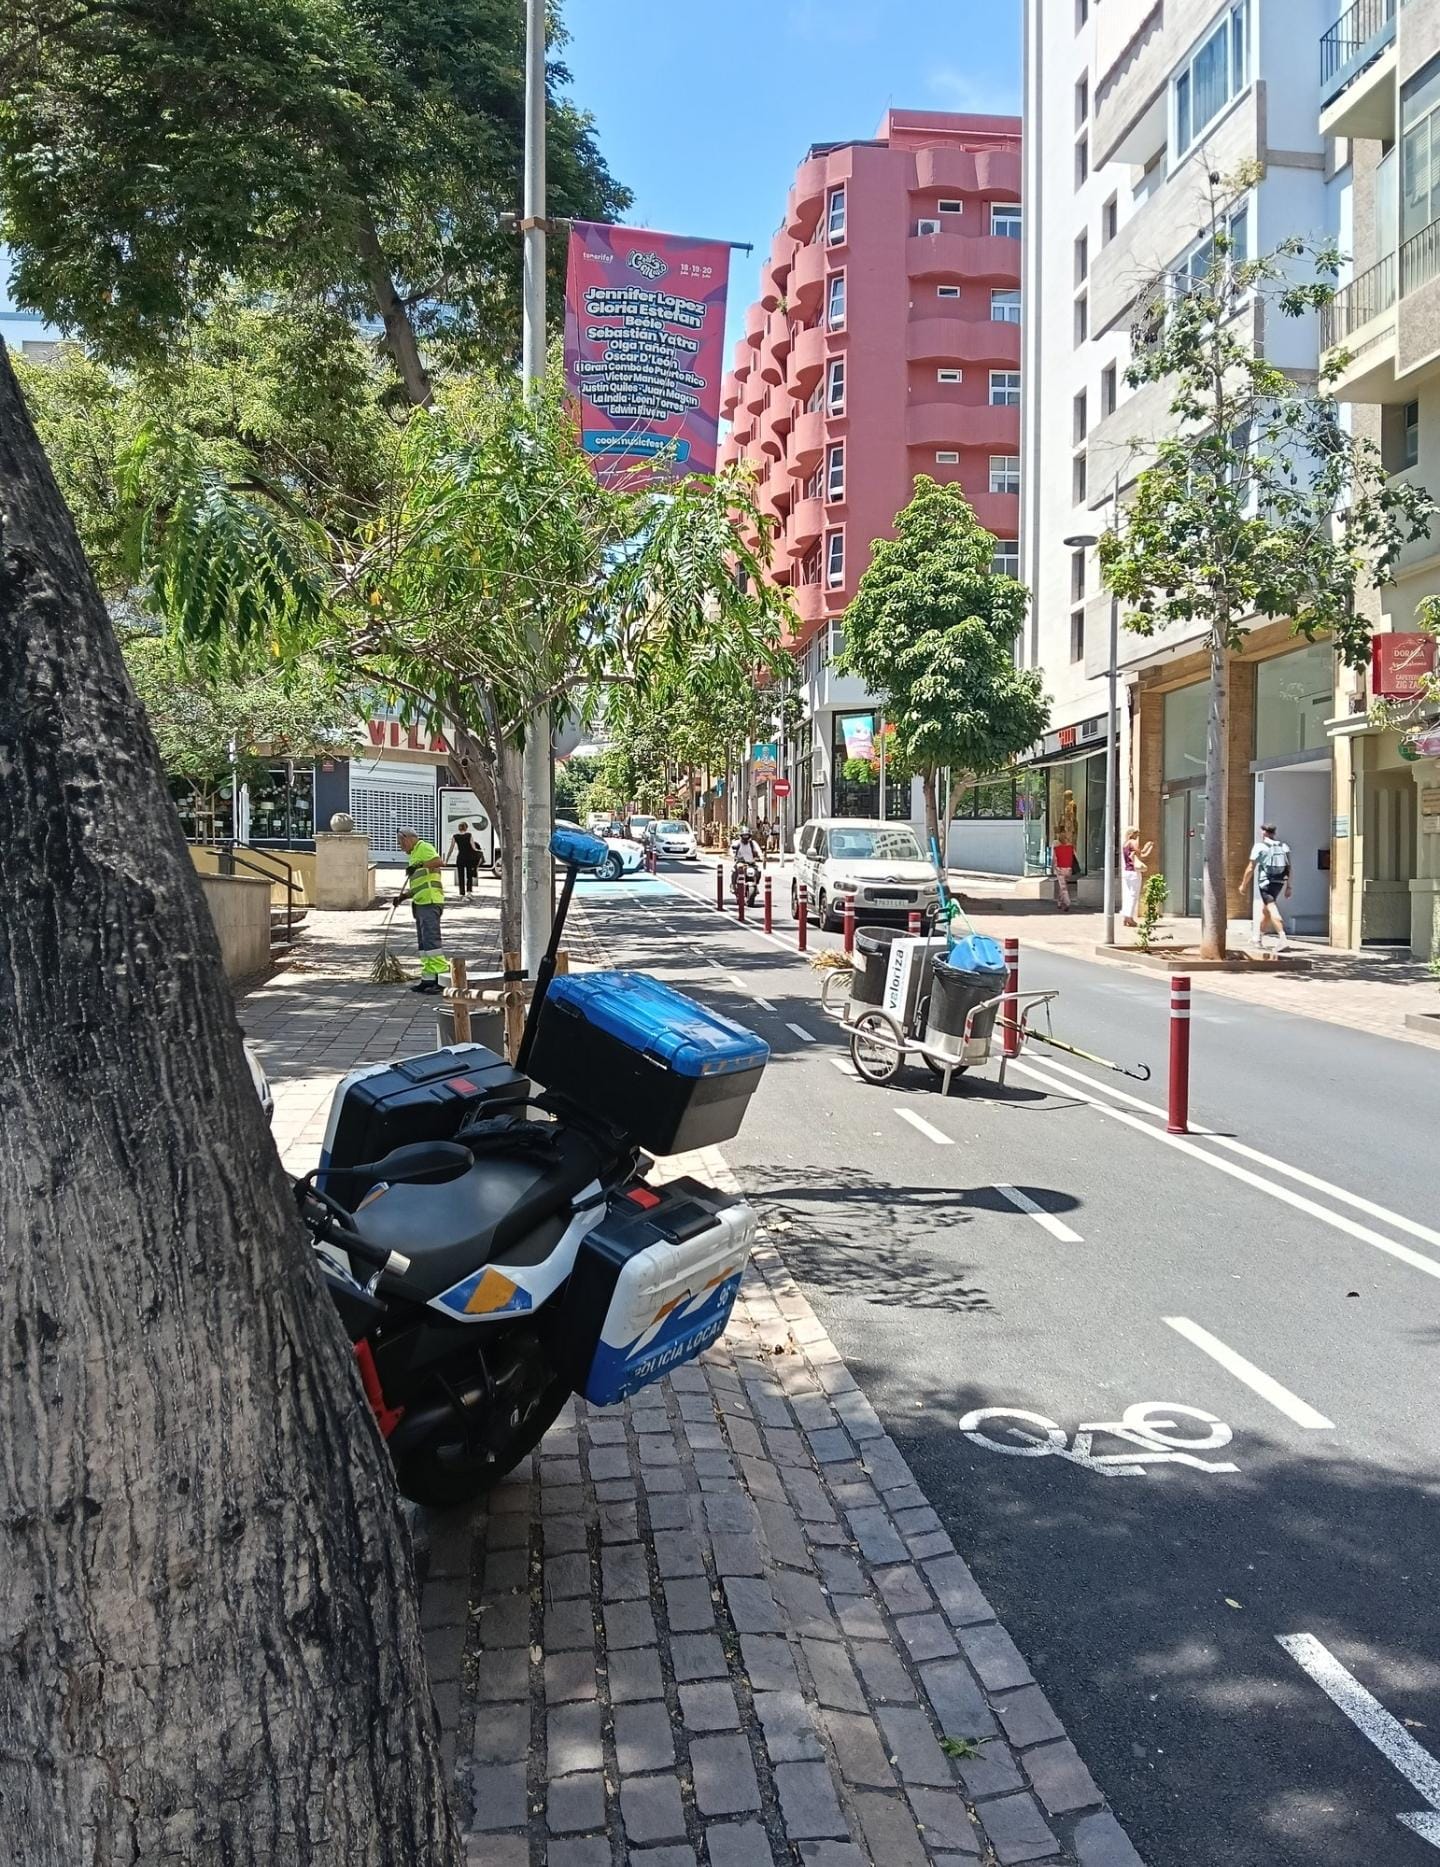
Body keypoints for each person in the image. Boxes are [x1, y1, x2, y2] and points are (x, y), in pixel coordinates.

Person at [396, 828, 448, 995]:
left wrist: (419, 864)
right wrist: (403, 896)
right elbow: (419, 884)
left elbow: (439, 862)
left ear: (408, 838)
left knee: (432, 943)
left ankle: (443, 979)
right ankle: (428, 979)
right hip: (420, 903)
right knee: (424, 945)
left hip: (430, 902)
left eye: (401, 842)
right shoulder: (413, 855)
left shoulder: (423, 847)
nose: (400, 846)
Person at [1241, 821, 1293, 951]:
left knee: (1272, 908)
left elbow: (1251, 867)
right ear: (1274, 833)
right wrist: (1288, 886)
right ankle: (1258, 938)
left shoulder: (1260, 847)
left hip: (1266, 883)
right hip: (1279, 882)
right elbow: (1289, 868)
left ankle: (1282, 939)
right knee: (1266, 910)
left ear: (1264, 832)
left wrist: (1243, 884)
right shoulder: (1283, 846)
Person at [1121, 827, 1153, 927]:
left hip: (1127, 871)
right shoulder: (1133, 842)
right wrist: (1149, 847)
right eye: (1137, 833)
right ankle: (1129, 917)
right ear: (1132, 834)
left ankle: (1126, 916)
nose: (1138, 835)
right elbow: (1142, 855)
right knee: (1133, 895)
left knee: (1127, 894)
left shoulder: (1125, 843)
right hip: (1134, 872)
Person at [446, 820, 480, 898]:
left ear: (459, 828)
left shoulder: (455, 836)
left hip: (460, 857)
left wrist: (447, 859)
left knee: (461, 876)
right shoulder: (469, 835)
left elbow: (451, 848)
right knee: (469, 875)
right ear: (466, 828)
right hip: (469, 858)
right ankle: (469, 892)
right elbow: (473, 847)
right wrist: (479, 851)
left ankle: (462, 894)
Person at [1051, 835, 1075, 912]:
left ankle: (1067, 903)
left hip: (1060, 869)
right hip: (1069, 869)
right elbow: (1074, 856)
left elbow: (1054, 860)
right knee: (1063, 886)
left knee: (1063, 887)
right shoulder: (1071, 848)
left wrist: (1053, 869)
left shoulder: (1056, 849)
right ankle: (1059, 902)